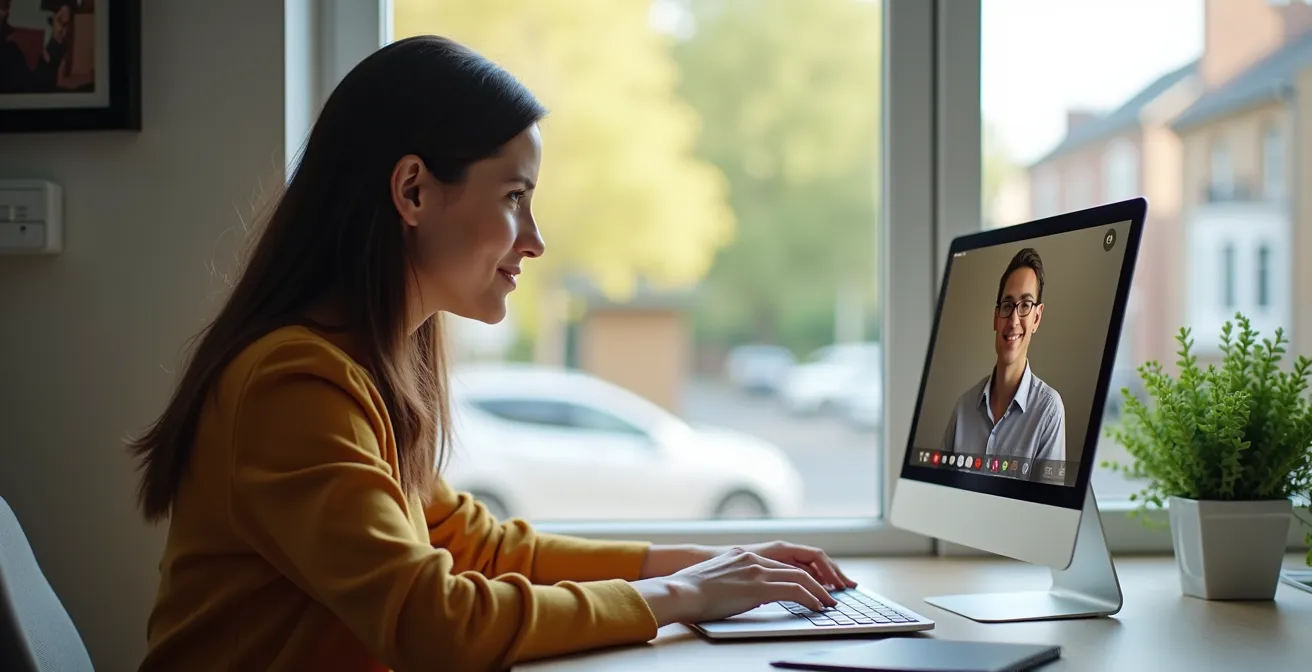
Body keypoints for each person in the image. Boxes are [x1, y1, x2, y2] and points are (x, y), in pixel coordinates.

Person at [130, 35, 853, 672]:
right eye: (514, 196)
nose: (534, 240)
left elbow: (481, 551)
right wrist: (683, 594)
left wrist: (711, 566)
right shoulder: (293, 385)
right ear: (413, 190)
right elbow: (433, 624)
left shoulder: (365, 368)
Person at [940, 247, 1066, 470]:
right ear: (996, 318)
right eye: (1007, 305)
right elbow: (937, 489)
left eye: (1025, 305)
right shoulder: (963, 409)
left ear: (1037, 318)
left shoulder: (1049, 411)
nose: (1014, 320)